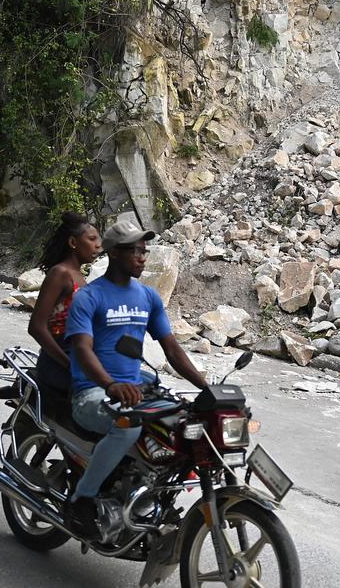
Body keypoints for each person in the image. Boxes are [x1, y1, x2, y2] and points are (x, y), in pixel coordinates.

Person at [62, 220, 209, 538]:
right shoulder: (89, 297)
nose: (143, 257)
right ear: (114, 254)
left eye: (145, 250)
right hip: (91, 394)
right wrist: (110, 385)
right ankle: (82, 498)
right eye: (134, 251)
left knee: (184, 424)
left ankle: (147, 492)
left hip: (135, 392)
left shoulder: (148, 297)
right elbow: (83, 351)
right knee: (129, 425)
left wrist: (208, 388)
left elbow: (173, 350)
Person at [28, 212, 102, 394]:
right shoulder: (60, 273)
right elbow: (36, 327)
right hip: (59, 362)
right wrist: (70, 365)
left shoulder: (80, 278)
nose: (98, 245)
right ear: (73, 243)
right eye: (92, 239)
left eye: (98, 239)